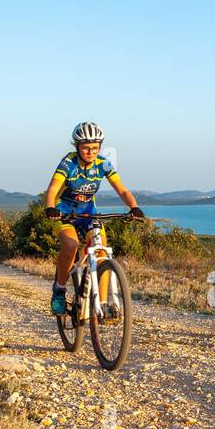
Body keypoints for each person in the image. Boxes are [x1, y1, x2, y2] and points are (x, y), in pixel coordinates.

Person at [44, 121, 144, 316]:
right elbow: (53, 189)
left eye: (95, 148)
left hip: (88, 212)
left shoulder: (103, 163)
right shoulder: (68, 163)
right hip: (63, 211)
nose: (91, 152)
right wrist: (50, 207)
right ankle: (59, 290)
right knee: (71, 245)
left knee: (101, 250)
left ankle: (103, 303)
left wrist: (134, 207)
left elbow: (121, 189)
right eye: (86, 148)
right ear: (77, 146)